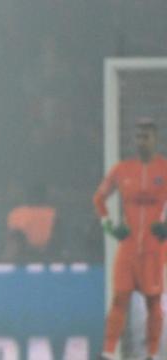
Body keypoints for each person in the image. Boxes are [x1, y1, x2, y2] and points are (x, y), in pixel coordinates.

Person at [93, 117, 167, 360]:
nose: (141, 141)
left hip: (154, 248)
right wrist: (110, 226)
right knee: (119, 299)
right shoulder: (122, 170)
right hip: (128, 247)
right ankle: (108, 353)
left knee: (153, 302)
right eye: (138, 136)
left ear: (155, 139)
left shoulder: (164, 169)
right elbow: (99, 198)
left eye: (145, 136)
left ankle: (153, 354)